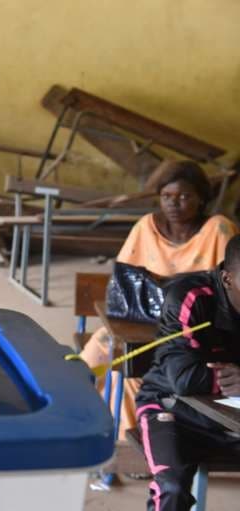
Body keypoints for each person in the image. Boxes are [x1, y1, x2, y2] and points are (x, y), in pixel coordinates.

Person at [79, 160, 238, 438]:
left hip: (192, 329)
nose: (174, 204)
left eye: (184, 196)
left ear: (202, 198)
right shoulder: (146, 227)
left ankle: (126, 439)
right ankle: (72, 402)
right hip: (142, 321)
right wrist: (175, 286)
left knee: (130, 373)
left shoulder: (218, 229)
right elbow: (124, 280)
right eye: (167, 197)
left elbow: (228, 288)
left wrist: (164, 285)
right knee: (102, 344)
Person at [136, 234, 240, 511]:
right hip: (171, 409)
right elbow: (183, 380)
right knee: (171, 488)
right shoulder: (190, 296)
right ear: (228, 279)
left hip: (232, 420)